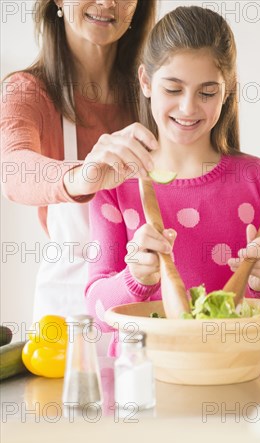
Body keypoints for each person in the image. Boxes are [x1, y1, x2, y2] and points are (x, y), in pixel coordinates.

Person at [85, 5, 260, 346]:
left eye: (206, 92)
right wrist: (135, 279)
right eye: (173, 89)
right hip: (141, 387)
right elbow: (97, 313)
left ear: (227, 90)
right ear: (145, 81)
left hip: (234, 382)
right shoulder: (115, 183)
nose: (188, 108)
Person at [1, 0, 158, 321]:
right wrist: (82, 176)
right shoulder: (28, 92)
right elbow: (12, 169)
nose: (106, 3)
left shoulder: (155, 93)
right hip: (69, 320)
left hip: (147, 314)